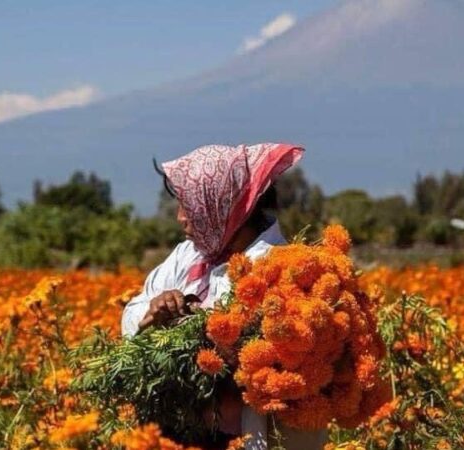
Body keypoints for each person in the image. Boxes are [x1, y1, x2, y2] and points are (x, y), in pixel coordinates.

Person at [121, 143, 326, 450]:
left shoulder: (282, 268)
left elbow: (275, 367)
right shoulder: (187, 257)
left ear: (223, 204)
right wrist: (153, 311)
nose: (180, 218)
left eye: (189, 206)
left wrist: (210, 335)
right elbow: (131, 316)